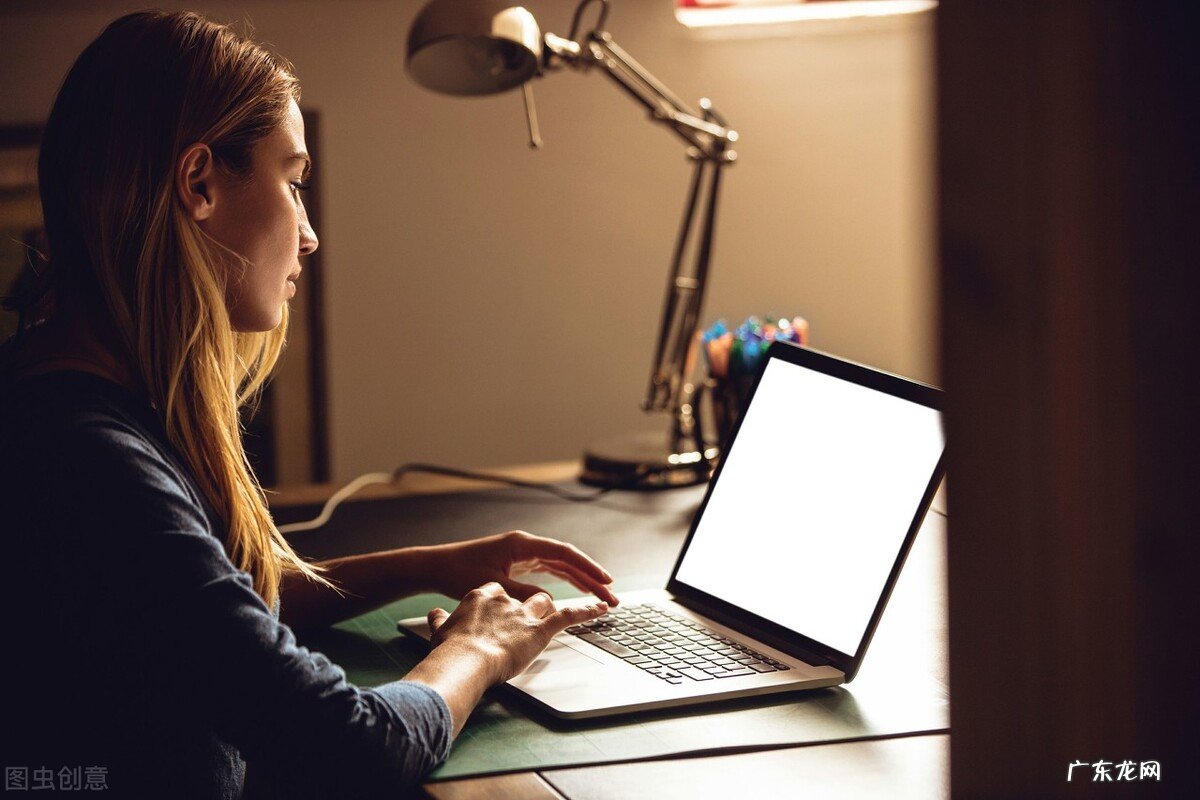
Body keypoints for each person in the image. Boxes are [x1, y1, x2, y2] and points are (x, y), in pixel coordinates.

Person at [0, 10, 618, 798]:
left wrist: (436, 565)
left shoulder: (53, 388)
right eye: (292, 183)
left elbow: (206, 622)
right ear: (198, 183)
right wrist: (479, 648)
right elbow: (347, 744)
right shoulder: (89, 461)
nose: (311, 232)